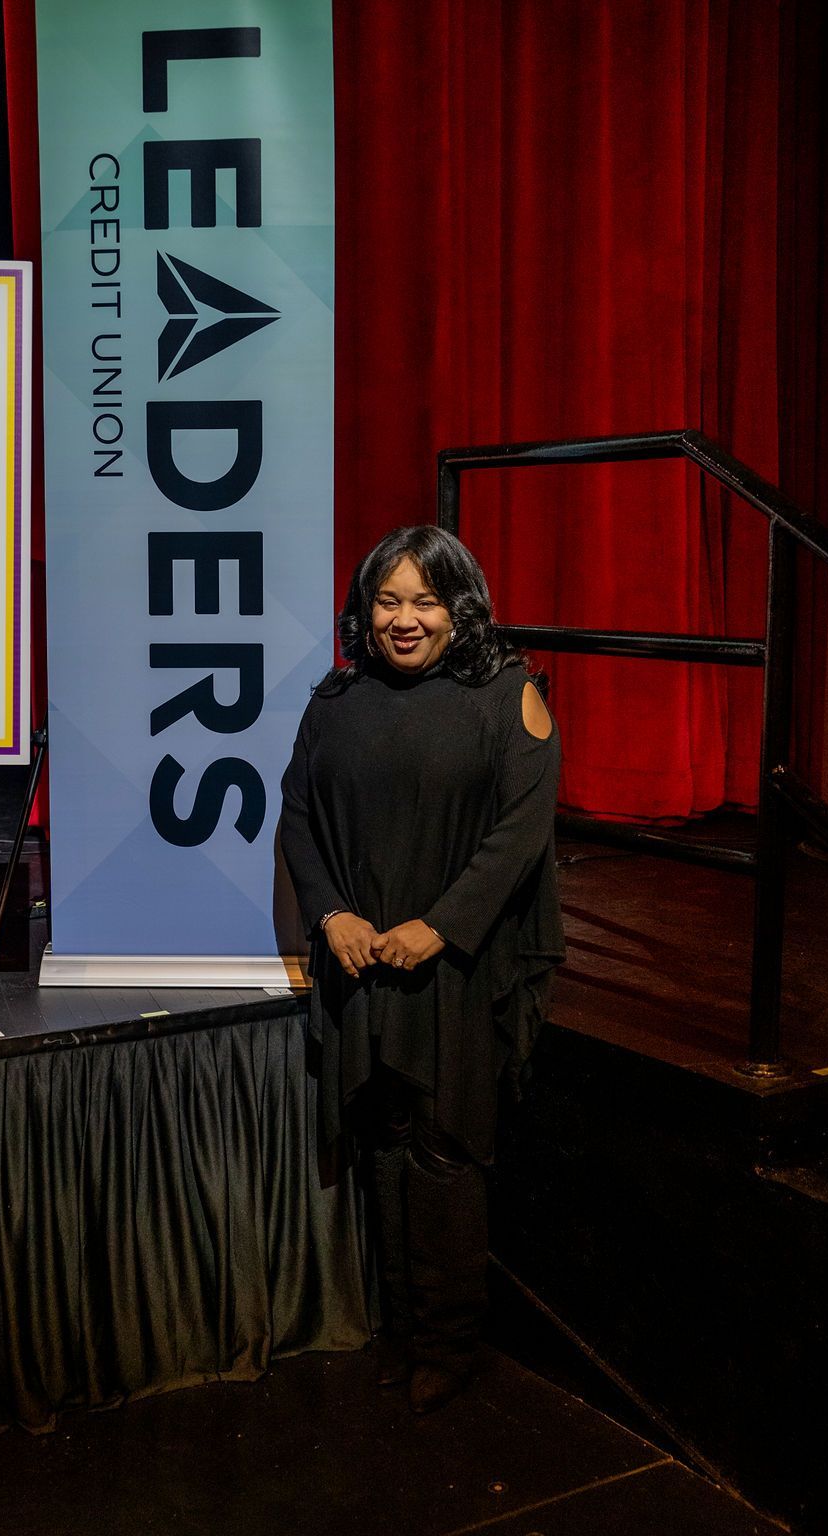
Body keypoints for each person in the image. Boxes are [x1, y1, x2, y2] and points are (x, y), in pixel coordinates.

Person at [279, 525, 564, 1413]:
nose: (404, 620)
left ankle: (449, 1342)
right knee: (387, 1138)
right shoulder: (337, 699)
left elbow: (522, 833)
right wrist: (332, 915)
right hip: (364, 956)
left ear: (459, 608)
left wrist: (439, 928)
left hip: (455, 966)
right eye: (388, 601)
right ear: (365, 610)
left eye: (425, 602)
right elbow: (296, 815)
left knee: (445, 1152)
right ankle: (402, 1329)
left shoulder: (508, 695)